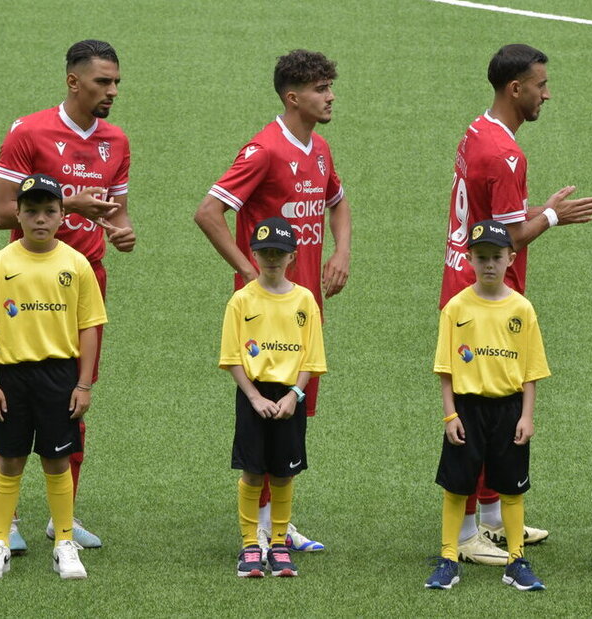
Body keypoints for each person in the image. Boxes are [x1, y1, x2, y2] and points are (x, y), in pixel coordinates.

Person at [439, 42, 592, 565]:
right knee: (479, 409)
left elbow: (496, 216)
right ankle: (464, 534)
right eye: (541, 84)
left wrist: (536, 206)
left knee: (496, 408)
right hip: (482, 295)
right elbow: (505, 241)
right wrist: (553, 218)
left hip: (472, 289)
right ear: (516, 88)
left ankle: (489, 520)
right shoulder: (505, 153)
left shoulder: (478, 131)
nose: (546, 94)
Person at [195, 49, 351, 553]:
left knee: (296, 405)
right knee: (263, 407)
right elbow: (208, 213)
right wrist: (245, 272)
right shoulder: (262, 150)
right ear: (293, 97)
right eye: (320, 88)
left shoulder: (320, 147)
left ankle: (273, 521)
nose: (330, 96)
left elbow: (337, 201)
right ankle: (261, 525)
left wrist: (341, 250)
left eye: (330, 86)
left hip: (303, 303)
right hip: (264, 310)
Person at [0, 39, 134, 552]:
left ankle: (62, 517)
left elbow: (116, 209)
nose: (113, 91)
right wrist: (65, 201)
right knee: (13, 395)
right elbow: (2, 212)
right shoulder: (28, 131)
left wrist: (122, 231)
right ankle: (4, 523)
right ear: (73, 81)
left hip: (87, 281)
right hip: (26, 282)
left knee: (76, 396)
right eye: (103, 81)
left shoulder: (115, 140)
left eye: (116, 81)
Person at [0, 174, 107, 580]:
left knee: (57, 459)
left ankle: (64, 542)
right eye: (31, 211)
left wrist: (83, 384)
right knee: (10, 459)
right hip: (12, 376)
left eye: (50, 211)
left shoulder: (76, 264)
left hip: (59, 376)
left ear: (63, 215)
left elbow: (89, 328)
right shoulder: (0, 264)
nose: (40, 219)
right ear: (18, 214)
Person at [426, 221, 550, 591]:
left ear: (511, 258)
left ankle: (516, 559)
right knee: (457, 485)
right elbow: (445, 369)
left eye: (497, 257)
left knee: (512, 488)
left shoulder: (522, 309)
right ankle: (449, 556)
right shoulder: (456, 308)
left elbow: (531, 371)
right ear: (470, 260)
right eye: (482, 258)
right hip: (467, 409)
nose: (490, 265)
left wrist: (527, 416)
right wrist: (450, 414)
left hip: (509, 409)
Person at [220, 217, 326, 578]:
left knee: (283, 475)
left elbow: (312, 357)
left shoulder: (305, 300)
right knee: (252, 473)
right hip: (255, 397)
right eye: (264, 252)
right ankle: (251, 544)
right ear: (253, 254)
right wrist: (253, 397)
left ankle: (278, 543)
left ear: (292, 257)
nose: (271, 260)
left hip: (289, 399)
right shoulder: (242, 300)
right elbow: (232, 357)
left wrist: (296, 394)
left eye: (278, 253)